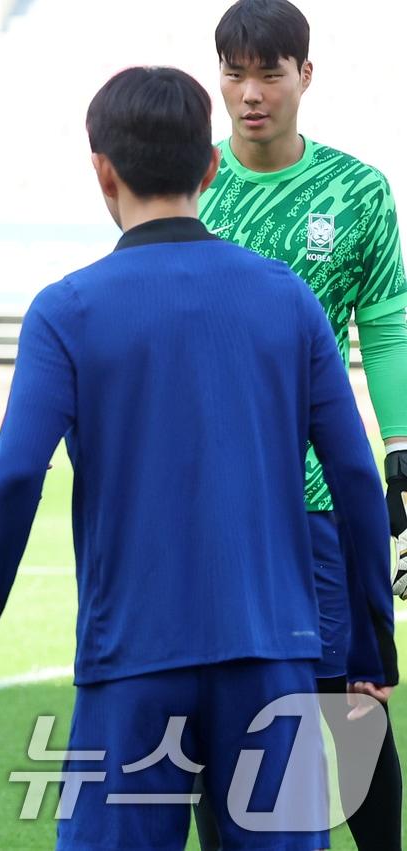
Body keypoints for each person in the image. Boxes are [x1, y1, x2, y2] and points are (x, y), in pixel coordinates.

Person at [0, 66, 395, 850]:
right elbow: (354, 475)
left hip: (131, 665)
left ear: (102, 170)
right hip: (273, 661)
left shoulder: (67, 308)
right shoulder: (287, 297)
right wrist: (370, 641)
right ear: (210, 166)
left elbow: (14, 477)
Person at [197, 1, 403, 846]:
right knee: (219, 701)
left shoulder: (357, 190)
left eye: (268, 73)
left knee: (350, 700)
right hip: (210, 495)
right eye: (234, 73)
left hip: (320, 489)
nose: (250, 93)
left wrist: (400, 445)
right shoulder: (188, 183)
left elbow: (385, 320)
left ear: (303, 76)